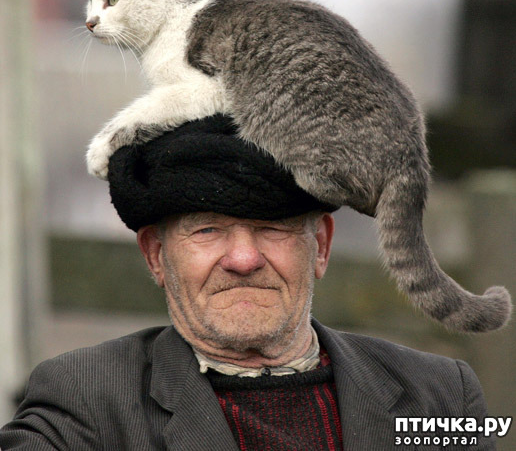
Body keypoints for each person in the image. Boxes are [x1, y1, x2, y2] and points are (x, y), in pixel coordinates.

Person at [0, 116, 494, 450]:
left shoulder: (439, 396)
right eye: (207, 230)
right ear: (155, 255)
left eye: (272, 227)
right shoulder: (84, 402)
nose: (243, 259)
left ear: (321, 246)